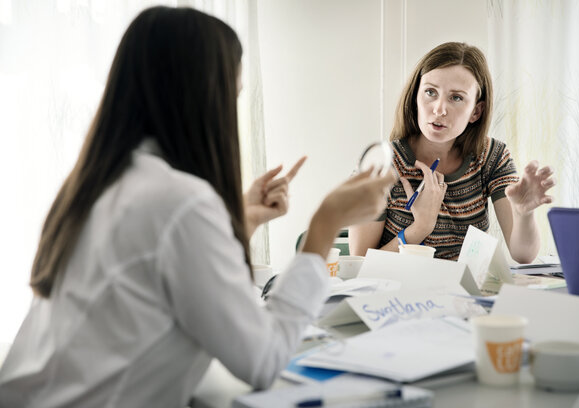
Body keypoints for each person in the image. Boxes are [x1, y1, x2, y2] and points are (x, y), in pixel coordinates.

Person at [0, 7, 395, 407]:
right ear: (203, 98)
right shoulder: (179, 202)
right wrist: (325, 226)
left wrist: (237, 222)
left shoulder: (98, 183)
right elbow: (264, 358)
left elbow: (160, 279)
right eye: (232, 95)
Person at [349, 42, 555, 263]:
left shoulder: (492, 157)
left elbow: (523, 255)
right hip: (398, 292)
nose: (439, 109)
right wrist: (420, 228)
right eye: (430, 92)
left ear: (475, 111)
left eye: (456, 97)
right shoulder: (380, 165)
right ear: (415, 98)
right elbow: (359, 263)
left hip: (464, 294)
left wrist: (523, 215)